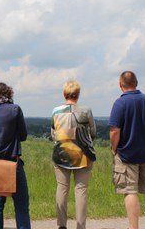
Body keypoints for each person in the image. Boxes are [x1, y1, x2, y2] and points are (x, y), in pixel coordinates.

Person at [109, 71, 145, 229]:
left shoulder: (120, 103)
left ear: (120, 84)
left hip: (127, 154)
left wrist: (114, 149)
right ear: (136, 83)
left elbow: (114, 131)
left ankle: (134, 227)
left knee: (130, 190)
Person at [0, 82, 31, 229]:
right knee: (21, 203)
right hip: (12, 162)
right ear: (8, 93)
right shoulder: (15, 109)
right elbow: (23, 136)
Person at [51, 80, 96, 229]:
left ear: (65, 94)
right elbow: (92, 132)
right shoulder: (86, 111)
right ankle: (80, 226)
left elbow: (53, 134)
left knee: (62, 189)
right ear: (78, 94)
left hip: (61, 154)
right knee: (81, 191)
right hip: (83, 155)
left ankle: (61, 225)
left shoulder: (56, 111)